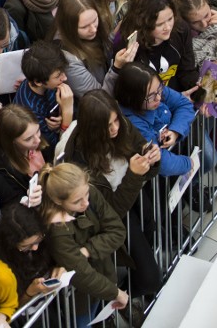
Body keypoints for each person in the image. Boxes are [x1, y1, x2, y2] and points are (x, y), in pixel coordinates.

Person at [62, 89, 162, 297]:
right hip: (117, 216)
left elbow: (146, 159)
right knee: (150, 278)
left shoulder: (122, 125)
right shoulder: (79, 162)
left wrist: (151, 157)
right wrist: (134, 175)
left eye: (116, 120)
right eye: (108, 126)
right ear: (93, 129)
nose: (115, 128)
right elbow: (110, 212)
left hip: (135, 197)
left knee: (149, 250)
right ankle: (122, 298)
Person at [39, 163, 127, 327]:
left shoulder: (88, 193)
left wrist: (87, 250)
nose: (85, 203)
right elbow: (81, 273)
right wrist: (116, 293)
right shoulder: (57, 228)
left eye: (86, 194)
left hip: (103, 273)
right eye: (77, 201)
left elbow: (117, 230)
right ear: (57, 200)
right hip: (78, 296)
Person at [113, 62, 199, 177]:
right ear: (133, 98)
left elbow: (184, 104)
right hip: (164, 172)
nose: (158, 97)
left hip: (179, 147)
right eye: (151, 96)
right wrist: (188, 164)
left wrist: (175, 131)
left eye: (160, 89)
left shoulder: (154, 88)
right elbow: (161, 162)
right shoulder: (133, 123)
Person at [52, 0, 136, 99]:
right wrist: (116, 68)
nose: (93, 29)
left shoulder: (92, 29)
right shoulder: (69, 61)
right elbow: (98, 99)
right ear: (69, 28)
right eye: (84, 27)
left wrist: (114, 35)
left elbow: (103, 47)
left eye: (95, 20)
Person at [114, 0, 199, 92]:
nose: (168, 27)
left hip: (178, 93)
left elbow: (187, 71)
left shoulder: (181, 29)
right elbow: (133, 93)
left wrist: (198, 86)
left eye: (170, 19)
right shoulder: (127, 46)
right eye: (159, 24)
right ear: (144, 24)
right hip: (148, 100)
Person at [0, 203, 62, 303]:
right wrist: (30, 292)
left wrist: (58, 266)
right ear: (11, 244)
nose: (35, 248)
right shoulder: (0, 264)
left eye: (38, 240)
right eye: (25, 246)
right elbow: (10, 308)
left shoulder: (47, 238)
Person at [13, 40, 74, 148]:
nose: (65, 78)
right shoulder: (31, 111)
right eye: (58, 76)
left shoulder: (48, 84)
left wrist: (60, 114)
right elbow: (55, 147)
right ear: (38, 82)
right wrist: (67, 112)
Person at [0, 103, 46, 206]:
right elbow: (13, 200)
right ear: (11, 141)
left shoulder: (36, 139)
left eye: (38, 131)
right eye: (28, 139)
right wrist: (26, 200)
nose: (38, 140)